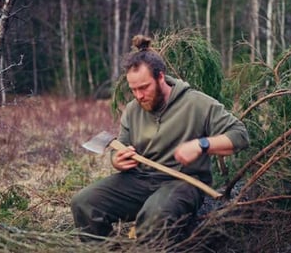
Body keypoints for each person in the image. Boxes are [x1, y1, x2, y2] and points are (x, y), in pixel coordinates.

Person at [71, 35, 249, 244]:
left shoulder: (197, 103)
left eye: (144, 87)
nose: (138, 95)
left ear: (161, 77)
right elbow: (121, 147)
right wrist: (117, 160)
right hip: (140, 180)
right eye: (133, 89)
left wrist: (202, 145)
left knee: (154, 216)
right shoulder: (132, 110)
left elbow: (240, 135)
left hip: (183, 182)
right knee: (84, 203)